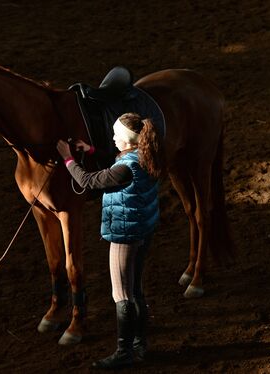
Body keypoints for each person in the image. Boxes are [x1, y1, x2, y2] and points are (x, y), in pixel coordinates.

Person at [56, 112, 163, 369]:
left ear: (127, 141)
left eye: (116, 136)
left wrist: (68, 158)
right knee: (136, 290)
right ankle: (139, 346)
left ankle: (124, 352)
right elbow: (117, 161)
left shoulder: (125, 169)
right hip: (143, 230)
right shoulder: (144, 154)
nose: (113, 139)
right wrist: (90, 150)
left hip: (126, 235)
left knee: (121, 295)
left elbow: (88, 181)